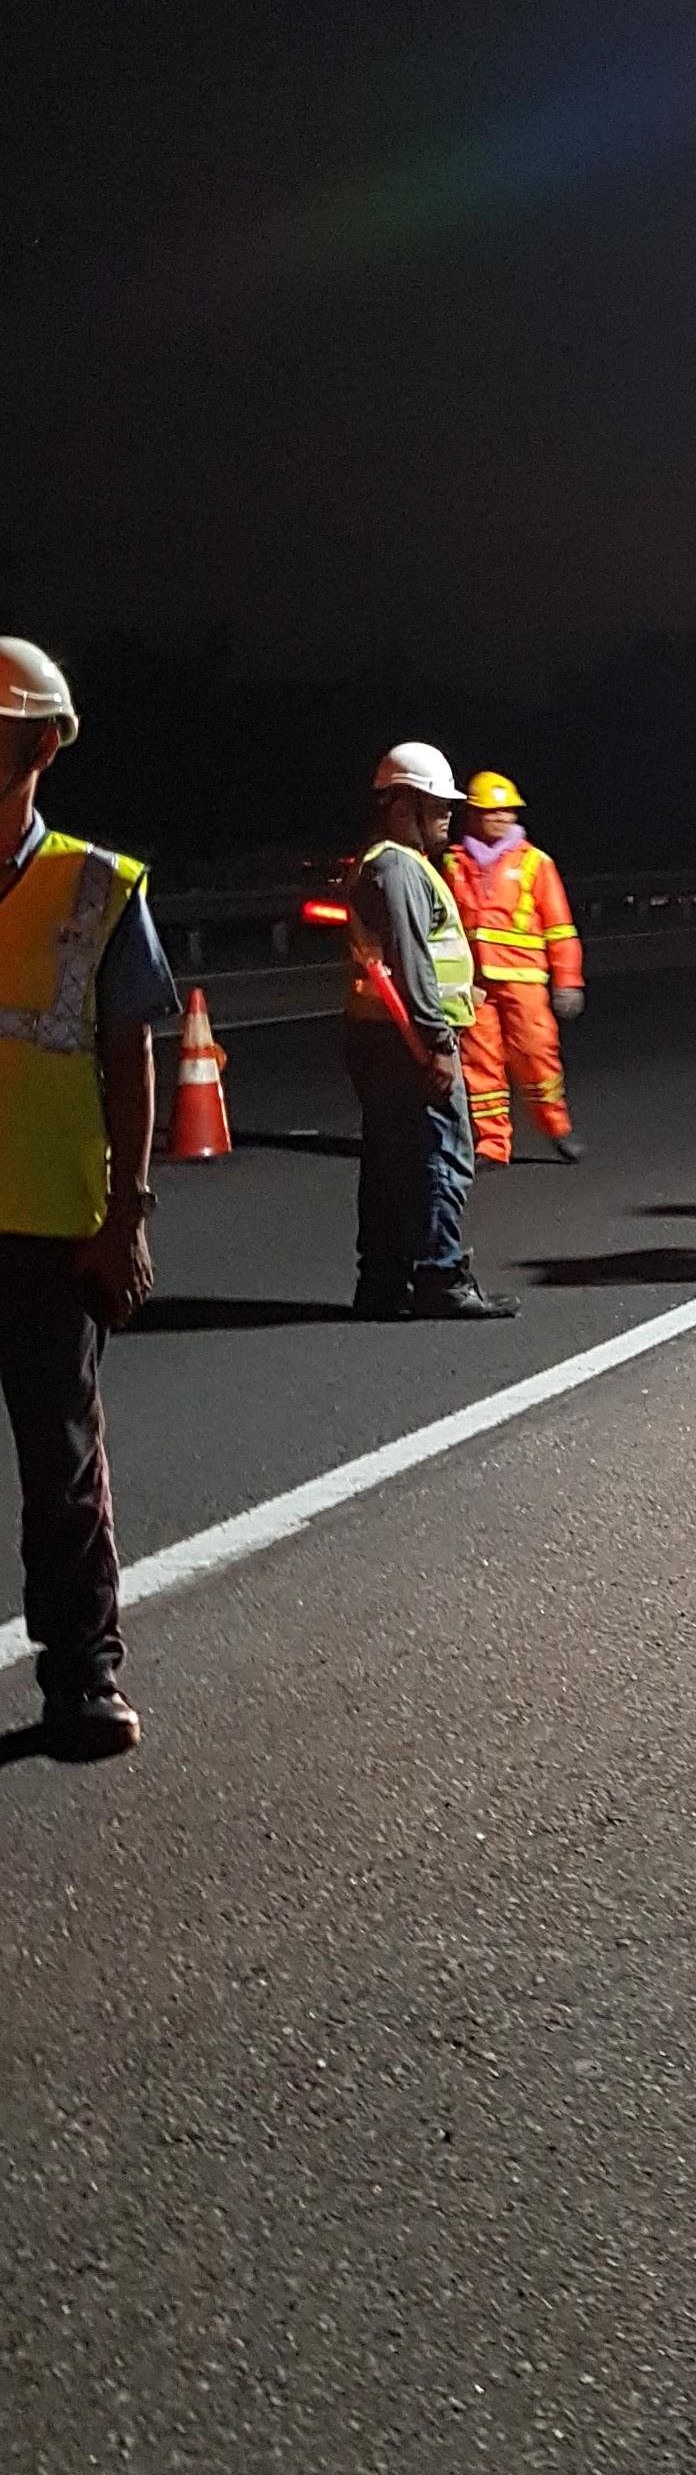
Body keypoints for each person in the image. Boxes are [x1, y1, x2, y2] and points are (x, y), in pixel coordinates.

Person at [0, 640, 180, 1758]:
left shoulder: (97, 887)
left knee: (61, 1470)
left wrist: (128, 1219)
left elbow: (131, 1055)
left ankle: (82, 1681)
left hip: (51, 1228)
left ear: (41, 745)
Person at [346, 744, 519, 1322]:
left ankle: (384, 1282)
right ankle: (439, 1276)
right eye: (437, 806)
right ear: (401, 807)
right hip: (408, 1041)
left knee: (391, 1162)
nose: (449, 816)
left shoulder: (399, 864)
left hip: (387, 1035)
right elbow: (413, 960)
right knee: (443, 1157)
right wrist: (438, 1045)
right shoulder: (397, 866)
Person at [446, 770, 585, 1166]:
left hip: (524, 980)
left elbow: (560, 928)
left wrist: (568, 981)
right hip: (474, 983)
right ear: (473, 815)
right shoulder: (454, 863)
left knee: (537, 1055)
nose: (503, 817)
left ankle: (557, 1128)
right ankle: (492, 1144)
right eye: (494, 811)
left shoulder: (535, 863)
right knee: (479, 1063)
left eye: (508, 811)